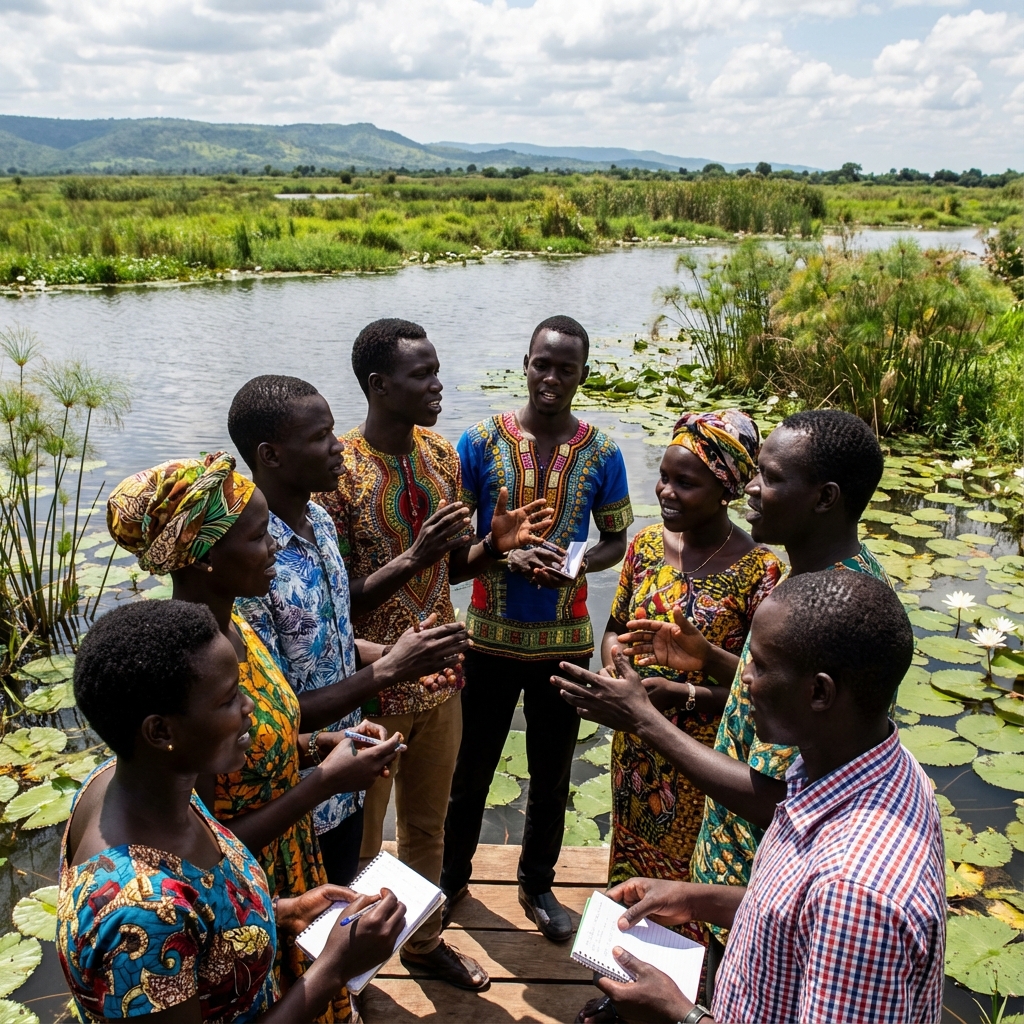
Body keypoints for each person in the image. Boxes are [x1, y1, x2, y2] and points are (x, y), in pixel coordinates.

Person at [553, 409, 889, 1001]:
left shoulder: (844, 609)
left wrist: (644, 718)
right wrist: (710, 658)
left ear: (824, 497)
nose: (752, 491)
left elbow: (792, 798)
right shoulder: (807, 586)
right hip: (727, 871)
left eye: (770, 478)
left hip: (762, 871)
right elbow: (779, 702)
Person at [107, 452, 404, 1022]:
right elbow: (203, 835)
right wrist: (320, 785)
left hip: (282, 880)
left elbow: (259, 743)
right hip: (240, 883)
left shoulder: (235, 628)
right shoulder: (186, 679)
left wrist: (323, 744)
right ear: (206, 557)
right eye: (256, 536)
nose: (273, 547)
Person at [574, 572, 945, 1024]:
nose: (743, 676)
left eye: (761, 665)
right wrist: (695, 900)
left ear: (819, 692)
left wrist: (678, 1015)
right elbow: (796, 916)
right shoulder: (868, 768)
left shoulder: (856, 895)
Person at [314, 318, 553, 991]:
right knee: (361, 842)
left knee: (427, 827)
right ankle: (349, 973)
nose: (437, 385)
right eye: (421, 374)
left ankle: (423, 945)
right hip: (371, 689)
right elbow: (336, 606)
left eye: (436, 370)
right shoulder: (339, 473)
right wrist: (413, 554)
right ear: (378, 384)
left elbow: (444, 574)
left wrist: (493, 549)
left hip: (442, 682)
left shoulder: (442, 457)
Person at [59, 598, 409, 1023]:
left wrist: (283, 910)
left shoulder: (142, 781)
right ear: (160, 730)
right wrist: (334, 969)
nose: (248, 707)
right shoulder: (138, 916)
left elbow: (205, 918)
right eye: (227, 700)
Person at [228, 374, 472, 887]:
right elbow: (280, 708)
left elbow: (329, 635)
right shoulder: (249, 560)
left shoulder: (317, 518)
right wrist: (389, 670)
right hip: (296, 801)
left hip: (345, 775)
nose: (339, 447)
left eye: (333, 431)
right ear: (270, 455)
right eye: (320, 438)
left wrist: (397, 651)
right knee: (312, 930)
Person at [441, 315, 633, 944]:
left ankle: (538, 884)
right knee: (470, 770)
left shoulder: (602, 452)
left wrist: (574, 564)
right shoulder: (479, 442)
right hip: (488, 639)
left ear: (583, 373)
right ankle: (450, 881)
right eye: (542, 365)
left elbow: (615, 542)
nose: (551, 378)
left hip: (565, 642)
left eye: (566, 368)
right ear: (525, 363)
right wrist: (502, 553)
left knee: (552, 776)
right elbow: (457, 544)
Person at [603, 411, 782, 890]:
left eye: (685, 483)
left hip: (706, 761)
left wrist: (682, 694)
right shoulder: (643, 546)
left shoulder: (758, 572)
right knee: (630, 865)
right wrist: (617, 670)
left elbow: (760, 693)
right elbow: (614, 628)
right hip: (635, 747)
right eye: (663, 477)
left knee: (690, 886)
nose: (666, 492)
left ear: (725, 488)